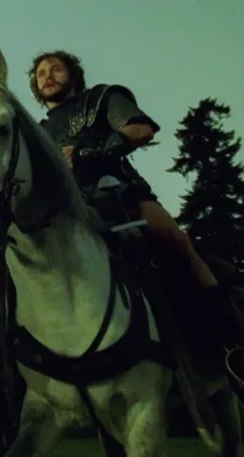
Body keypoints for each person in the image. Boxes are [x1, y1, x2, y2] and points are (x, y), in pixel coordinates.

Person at [29, 50, 244, 385]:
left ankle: (231, 336)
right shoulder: (38, 132)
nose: (47, 76)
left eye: (56, 69)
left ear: (72, 74)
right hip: (69, 213)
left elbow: (141, 129)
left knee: (175, 239)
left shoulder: (100, 99)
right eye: (41, 73)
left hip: (122, 195)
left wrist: (86, 152)